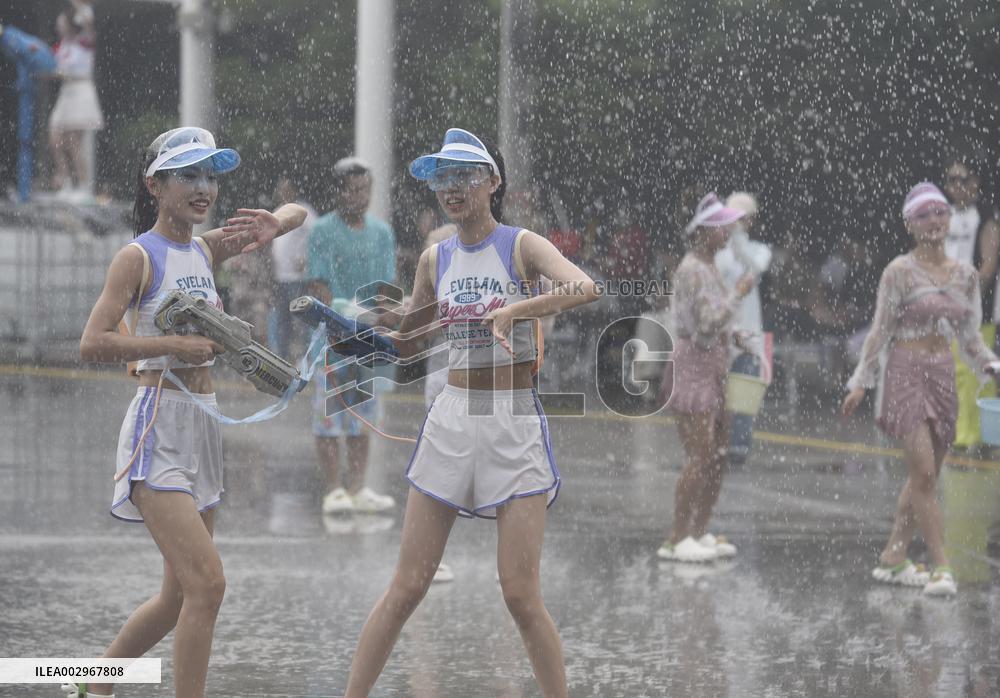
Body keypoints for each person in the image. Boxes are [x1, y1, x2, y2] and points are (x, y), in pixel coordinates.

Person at [343, 127, 599, 698]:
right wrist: (383, 323)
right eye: (444, 178)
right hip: (452, 417)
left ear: (493, 182)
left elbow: (583, 288)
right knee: (408, 586)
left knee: (519, 595)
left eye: (465, 176)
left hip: (512, 417)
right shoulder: (436, 258)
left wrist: (517, 311)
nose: (453, 188)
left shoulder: (521, 244)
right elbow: (412, 344)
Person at [73, 127, 306, 698]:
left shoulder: (204, 249)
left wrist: (279, 222)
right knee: (208, 585)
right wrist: (172, 346)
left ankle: (88, 686)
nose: (204, 189)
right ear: (155, 185)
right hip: (159, 425)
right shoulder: (138, 257)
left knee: (177, 598)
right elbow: (92, 342)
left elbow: (299, 212)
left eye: (210, 176)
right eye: (188, 176)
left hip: (203, 424)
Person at [841, 182, 1000, 597]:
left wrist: (992, 367)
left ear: (950, 219)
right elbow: (880, 330)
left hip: (943, 373)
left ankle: (894, 555)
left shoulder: (966, 276)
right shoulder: (898, 271)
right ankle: (942, 566)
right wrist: (860, 381)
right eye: (924, 215)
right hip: (906, 372)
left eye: (940, 212)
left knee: (921, 478)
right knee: (925, 473)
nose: (934, 221)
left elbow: (970, 338)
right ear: (910, 224)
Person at [657, 193, 754, 563]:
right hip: (693, 365)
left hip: (715, 363)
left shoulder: (711, 267)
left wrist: (738, 338)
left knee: (718, 454)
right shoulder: (692, 269)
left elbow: (717, 325)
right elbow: (708, 321)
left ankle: (699, 530)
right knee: (699, 455)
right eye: (722, 227)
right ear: (703, 232)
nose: (729, 232)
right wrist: (739, 294)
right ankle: (677, 536)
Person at [307, 156, 398, 515]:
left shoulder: (382, 233)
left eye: (366, 190)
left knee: (364, 415)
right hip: (333, 335)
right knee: (329, 416)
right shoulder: (323, 231)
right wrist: (343, 318)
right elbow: (319, 284)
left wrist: (385, 319)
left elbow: (387, 287)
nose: (361, 197)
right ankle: (333, 489)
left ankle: (358, 487)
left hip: (370, 336)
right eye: (354, 190)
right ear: (338, 192)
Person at [942, 155, 1000, 450]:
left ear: (975, 182)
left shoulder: (985, 214)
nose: (955, 185)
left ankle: (981, 435)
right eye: (950, 179)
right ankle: (961, 433)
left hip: (978, 306)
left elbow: (988, 263)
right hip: (949, 305)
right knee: (955, 369)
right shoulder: (945, 214)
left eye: (961, 179)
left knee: (978, 369)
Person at [715, 192, 771, 465]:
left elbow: (755, 265)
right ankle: (717, 446)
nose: (736, 223)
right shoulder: (717, 255)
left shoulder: (759, 250)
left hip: (749, 339)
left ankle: (738, 449)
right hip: (721, 336)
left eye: (741, 218)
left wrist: (737, 236)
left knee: (744, 398)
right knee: (717, 397)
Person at [48, 0, 103, 198]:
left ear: (71, 24)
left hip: (81, 90)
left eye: (62, 22)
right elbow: (53, 68)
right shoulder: (61, 46)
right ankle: (66, 183)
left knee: (74, 141)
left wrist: (79, 5)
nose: (58, 26)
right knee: (55, 138)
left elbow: (88, 22)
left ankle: (84, 187)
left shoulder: (84, 40)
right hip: (66, 92)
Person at [268, 175, 317, 358]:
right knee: (283, 320)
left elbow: (317, 235)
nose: (283, 192)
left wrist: (307, 257)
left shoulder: (304, 211)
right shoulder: (278, 210)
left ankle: (305, 358)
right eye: (281, 188)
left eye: (286, 188)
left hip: (298, 278)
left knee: (302, 322)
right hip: (280, 277)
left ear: (295, 190)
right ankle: (282, 358)